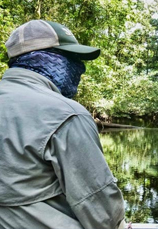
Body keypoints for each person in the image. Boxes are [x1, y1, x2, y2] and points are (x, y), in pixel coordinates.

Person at [0, 20, 125, 229]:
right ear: (45, 58)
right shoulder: (66, 114)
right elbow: (104, 215)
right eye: (71, 57)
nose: (80, 68)